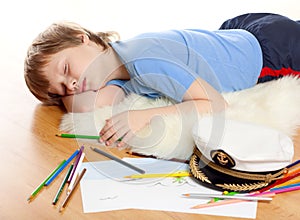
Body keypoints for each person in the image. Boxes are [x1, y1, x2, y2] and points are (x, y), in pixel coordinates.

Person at [24, 13, 300, 148]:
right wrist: (64, 92)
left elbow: (214, 104)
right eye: (60, 89)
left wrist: (143, 116)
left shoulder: (143, 60)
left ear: (80, 36)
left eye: (66, 68)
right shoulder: (116, 66)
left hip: (270, 53)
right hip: (238, 30)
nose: (71, 85)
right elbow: (87, 107)